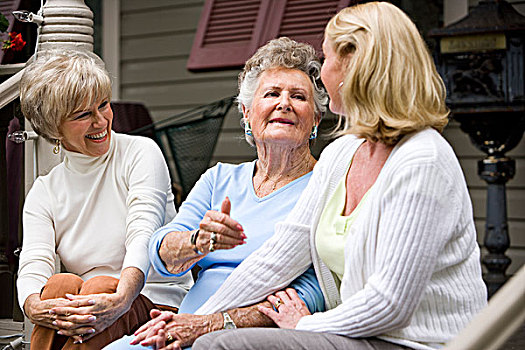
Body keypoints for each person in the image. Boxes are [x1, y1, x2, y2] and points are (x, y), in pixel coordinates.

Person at [191, 2, 488, 350]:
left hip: (419, 344)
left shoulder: (423, 160)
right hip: (356, 335)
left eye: (328, 59)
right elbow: (277, 258)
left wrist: (305, 325)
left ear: (356, 67)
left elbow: (389, 305)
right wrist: (197, 322)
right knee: (210, 340)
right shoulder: (342, 152)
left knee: (223, 347)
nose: (323, 72)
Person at [103, 37, 328, 350]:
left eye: (298, 96)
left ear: (315, 120)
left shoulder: (326, 186)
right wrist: (198, 241)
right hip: (177, 329)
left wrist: (212, 323)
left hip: (252, 338)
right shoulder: (220, 178)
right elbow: (160, 253)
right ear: (248, 114)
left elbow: (311, 294)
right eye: (272, 93)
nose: (284, 103)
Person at [17, 51, 193, 350]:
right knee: (59, 285)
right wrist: (33, 306)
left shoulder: (140, 153)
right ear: (53, 127)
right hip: (88, 307)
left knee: (100, 286)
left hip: (155, 304)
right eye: (83, 115)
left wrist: (121, 298)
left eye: (103, 105)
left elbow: (143, 234)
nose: (102, 121)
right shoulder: (45, 191)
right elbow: (35, 262)